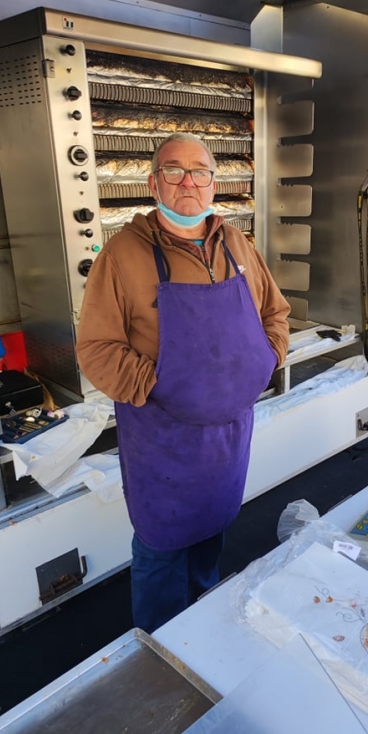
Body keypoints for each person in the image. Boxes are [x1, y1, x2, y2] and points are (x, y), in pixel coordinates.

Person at [76, 132, 290, 633]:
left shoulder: (238, 245)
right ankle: (158, 650)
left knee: (212, 529)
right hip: (162, 438)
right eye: (174, 170)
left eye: (199, 171)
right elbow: (97, 349)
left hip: (227, 436)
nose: (188, 181)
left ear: (214, 182)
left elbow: (275, 314)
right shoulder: (122, 255)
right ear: (154, 182)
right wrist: (161, 385)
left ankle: (204, 625)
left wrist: (263, 361)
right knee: (161, 548)